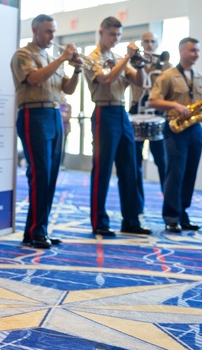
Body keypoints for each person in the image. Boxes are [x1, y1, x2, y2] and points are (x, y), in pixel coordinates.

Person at [11, 14, 82, 249]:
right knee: (41, 173)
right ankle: (36, 230)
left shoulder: (51, 58)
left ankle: (36, 230)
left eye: (53, 31)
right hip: (34, 115)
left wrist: (77, 71)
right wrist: (62, 58)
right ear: (35, 30)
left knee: (50, 175)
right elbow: (34, 79)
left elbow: (68, 90)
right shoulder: (24, 55)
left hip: (54, 115)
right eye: (48, 31)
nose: (52, 36)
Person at [85, 17, 150, 237]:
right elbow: (107, 79)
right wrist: (127, 59)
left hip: (121, 112)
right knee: (102, 169)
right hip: (103, 112)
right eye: (112, 34)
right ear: (101, 32)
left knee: (130, 168)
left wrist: (139, 64)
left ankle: (130, 220)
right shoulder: (92, 58)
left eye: (119, 35)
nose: (116, 39)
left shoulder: (118, 57)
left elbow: (139, 83)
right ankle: (99, 222)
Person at [148, 37, 202, 234]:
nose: (196, 54)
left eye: (198, 50)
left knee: (190, 173)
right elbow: (153, 101)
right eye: (192, 50)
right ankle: (171, 217)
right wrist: (175, 105)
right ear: (181, 50)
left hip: (195, 129)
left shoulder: (201, 78)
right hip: (175, 130)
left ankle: (183, 214)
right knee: (175, 174)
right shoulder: (167, 76)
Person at [130, 31, 168, 188]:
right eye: (146, 41)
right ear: (141, 43)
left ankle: (168, 203)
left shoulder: (166, 65)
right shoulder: (132, 63)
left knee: (162, 161)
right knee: (134, 163)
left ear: (157, 43)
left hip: (157, 115)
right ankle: (136, 207)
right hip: (136, 113)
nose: (149, 44)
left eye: (152, 41)